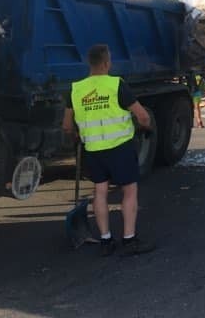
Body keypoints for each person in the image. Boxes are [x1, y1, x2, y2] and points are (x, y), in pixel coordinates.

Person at [62, 44, 155, 257]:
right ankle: (129, 239)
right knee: (129, 191)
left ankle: (106, 240)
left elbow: (67, 125)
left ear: (90, 63)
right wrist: (145, 127)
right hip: (120, 148)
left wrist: (76, 135)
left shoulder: (75, 89)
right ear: (106, 63)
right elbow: (142, 116)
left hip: (93, 149)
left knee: (100, 192)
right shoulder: (116, 85)